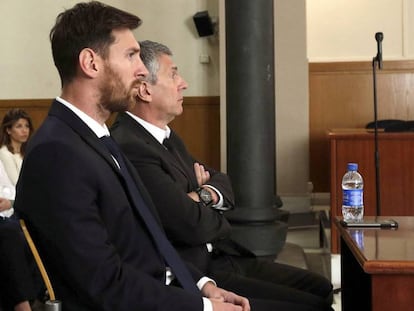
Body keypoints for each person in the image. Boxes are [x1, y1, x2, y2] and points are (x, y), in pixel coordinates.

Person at [14, 2, 309, 311]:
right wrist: (204, 309)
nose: (141, 70)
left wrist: (203, 286)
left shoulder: (95, 138)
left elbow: (146, 241)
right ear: (90, 63)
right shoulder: (58, 153)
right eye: (130, 55)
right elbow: (103, 283)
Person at [111, 40, 334, 310]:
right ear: (145, 89)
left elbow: (222, 182)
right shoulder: (131, 145)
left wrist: (199, 195)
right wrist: (207, 202)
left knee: (322, 288)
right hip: (198, 273)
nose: (183, 83)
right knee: (314, 306)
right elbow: (188, 224)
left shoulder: (165, 135)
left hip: (222, 254)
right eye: (174, 74)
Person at [0, 161, 42, 311]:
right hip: (6, 221)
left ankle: (41, 296)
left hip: (8, 215)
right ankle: (24, 306)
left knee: (35, 227)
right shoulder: (5, 155)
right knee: (10, 234)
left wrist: (9, 200)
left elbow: (11, 190)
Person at [0, 109, 34, 186]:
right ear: (8, 130)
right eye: (19, 126)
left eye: (27, 126)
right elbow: (16, 182)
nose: (24, 130)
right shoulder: (5, 153)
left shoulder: (28, 151)